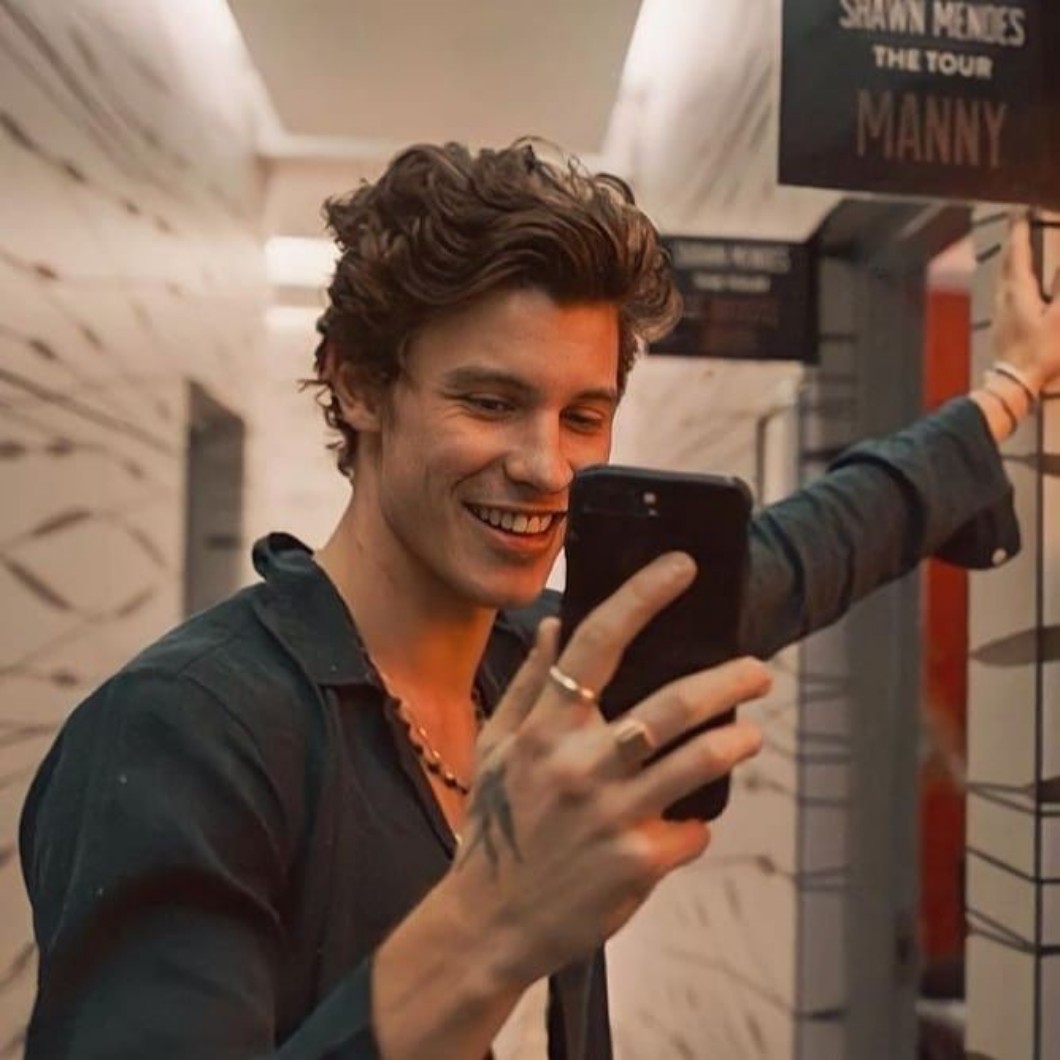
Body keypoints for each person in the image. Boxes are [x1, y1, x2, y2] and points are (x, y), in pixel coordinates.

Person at [19, 140, 1059, 1060]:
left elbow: (812, 546)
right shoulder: (184, 731)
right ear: (360, 385)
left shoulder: (559, 661)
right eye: (490, 401)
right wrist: (492, 922)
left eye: (583, 416)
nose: (546, 465)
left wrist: (1009, 384)